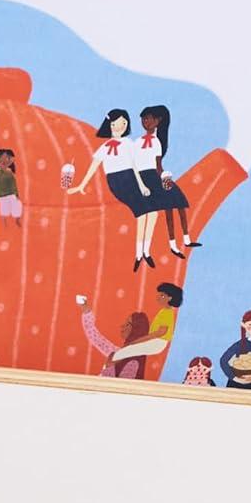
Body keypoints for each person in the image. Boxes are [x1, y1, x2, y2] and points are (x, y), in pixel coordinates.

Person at [67, 108, 154, 272]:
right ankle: (140, 253)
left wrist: (142, 185)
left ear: (126, 124)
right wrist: (82, 185)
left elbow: (134, 165)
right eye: (113, 124)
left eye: (120, 123)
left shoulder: (128, 143)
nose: (116, 127)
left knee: (148, 213)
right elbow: (94, 165)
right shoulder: (105, 146)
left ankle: (143, 252)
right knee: (145, 213)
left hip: (129, 177)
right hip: (117, 181)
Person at [134, 105, 200, 261]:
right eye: (143, 119)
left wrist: (165, 178)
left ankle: (185, 239)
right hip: (146, 177)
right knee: (171, 204)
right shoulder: (138, 142)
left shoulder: (157, 141)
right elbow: (136, 164)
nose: (145, 122)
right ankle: (173, 244)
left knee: (178, 202)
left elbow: (158, 165)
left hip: (155, 175)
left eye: (148, 119)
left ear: (158, 121)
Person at [74, 295, 160, 380]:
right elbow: (96, 338)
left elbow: (120, 385)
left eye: (128, 324)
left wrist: (108, 368)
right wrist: (86, 310)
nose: (122, 326)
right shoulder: (120, 353)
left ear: (136, 330)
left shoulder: (133, 362)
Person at [114, 281, 181, 370]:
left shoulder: (167, 313)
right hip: (155, 342)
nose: (158, 297)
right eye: (159, 294)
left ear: (170, 298)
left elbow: (160, 332)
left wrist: (139, 340)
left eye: (162, 296)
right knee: (125, 351)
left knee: (123, 352)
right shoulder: (164, 311)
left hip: (157, 343)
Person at [0, 147, 22, 227]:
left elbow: (13, 184)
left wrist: (16, 194)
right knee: (4, 208)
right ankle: (5, 223)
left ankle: (16, 220)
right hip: (2, 196)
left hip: (11, 194)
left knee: (17, 205)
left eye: (7, 159)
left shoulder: (10, 174)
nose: (4, 162)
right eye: (1, 159)